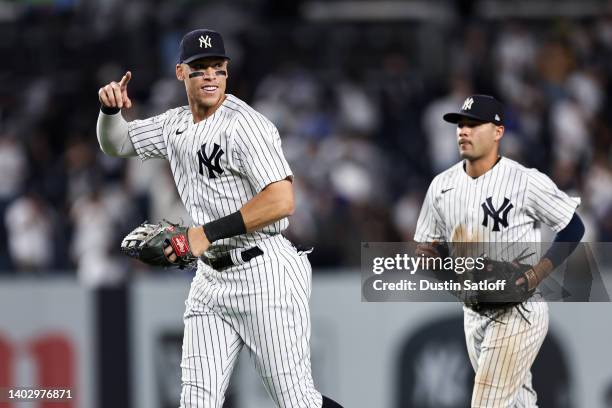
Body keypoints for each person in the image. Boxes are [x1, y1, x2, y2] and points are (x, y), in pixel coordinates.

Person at [97, 28, 342, 408]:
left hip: (265, 271)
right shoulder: (174, 125)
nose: (210, 75)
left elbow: (282, 199)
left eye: (218, 67)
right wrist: (110, 111)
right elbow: (118, 143)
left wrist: (203, 235)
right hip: (210, 278)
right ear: (181, 73)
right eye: (200, 68)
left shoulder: (245, 125)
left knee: (297, 400)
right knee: (195, 401)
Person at [414, 94, 585, 406]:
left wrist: (536, 275)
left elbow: (573, 227)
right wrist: (458, 283)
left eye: (473, 124)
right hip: (474, 312)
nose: (463, 131)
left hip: (519, 309)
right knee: (517, 403)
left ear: (498, 132)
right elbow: (427, 249)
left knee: (487, 403)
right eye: (460, 125)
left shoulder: (525, 180)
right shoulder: (441, 186)